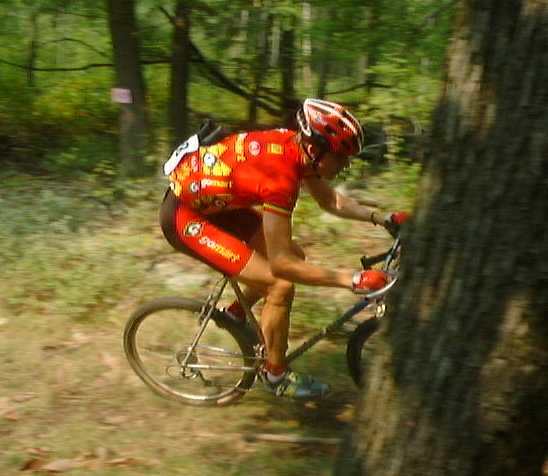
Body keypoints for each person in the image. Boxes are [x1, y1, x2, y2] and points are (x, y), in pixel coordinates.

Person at [160, 98, 407, 399]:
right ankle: (275, 375)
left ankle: (236, 314)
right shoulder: (280, 180)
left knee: (297, 256)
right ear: (315, 150)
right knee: (280, 285)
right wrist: (352, 279)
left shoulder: (296, 146)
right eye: (341, 158)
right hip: (185, 218)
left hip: (218, 204)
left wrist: (382, 218)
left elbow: (330, 201)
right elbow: (281, 265)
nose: (345, 165)